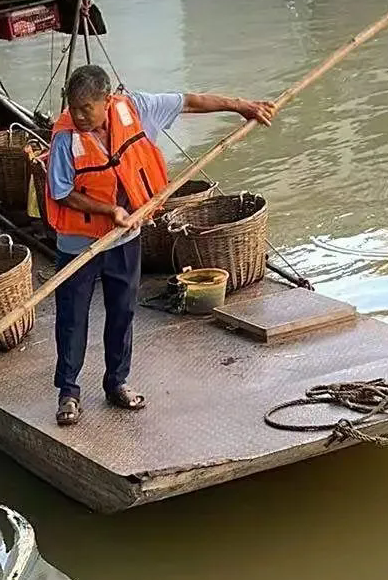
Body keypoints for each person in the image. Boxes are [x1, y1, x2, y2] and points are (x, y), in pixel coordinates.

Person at [45, 64, 277, 426]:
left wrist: (241, 106)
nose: (78, 116)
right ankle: (68, 393)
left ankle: (116, 382)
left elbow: (191, 102)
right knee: (72, 319)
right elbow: (62, 191)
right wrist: (111, 210)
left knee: (122, 312)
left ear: (107, 101)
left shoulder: (136, 108)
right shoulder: (65, 136)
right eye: (72, 108)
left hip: (125, 239)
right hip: (79, 245)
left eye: (85, 109)